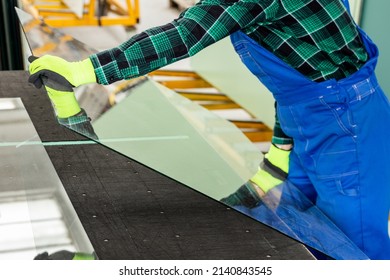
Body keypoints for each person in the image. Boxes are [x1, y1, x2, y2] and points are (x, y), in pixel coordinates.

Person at [28, 0, 390, 259]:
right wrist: (277, 158)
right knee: (302, 223)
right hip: (314, 115)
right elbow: (297, 81)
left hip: (349, 125)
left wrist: (84, 72)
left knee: (354, 240)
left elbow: (185, 35)